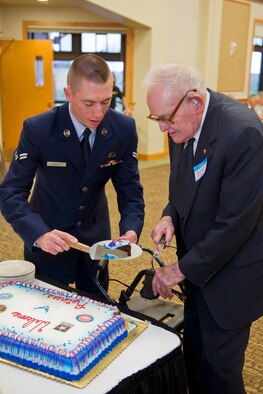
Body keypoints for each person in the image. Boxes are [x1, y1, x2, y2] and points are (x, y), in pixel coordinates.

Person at [142, 63, 263, 394]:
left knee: (219, 374)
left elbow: (234, 226)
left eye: (166, 118)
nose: (163, 129)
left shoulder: (244, 133)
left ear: (194, 101)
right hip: (198, 269)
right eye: (157, 120)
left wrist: (177, 271)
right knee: (194, 358)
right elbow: (182, 184)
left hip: (231, 279)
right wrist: (169, 215)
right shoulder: (181, 122)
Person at [0, 54, 144, 297]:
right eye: (88, 103)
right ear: (68, 94)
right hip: (49, 235)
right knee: (48, 313)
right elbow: (10, 193)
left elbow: (130, 189)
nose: (98, 113)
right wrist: (39, 233)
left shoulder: (124, 129)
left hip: (96, 239)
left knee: (97, 309)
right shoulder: (38, 129)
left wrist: (131, 229)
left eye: (106, 102)